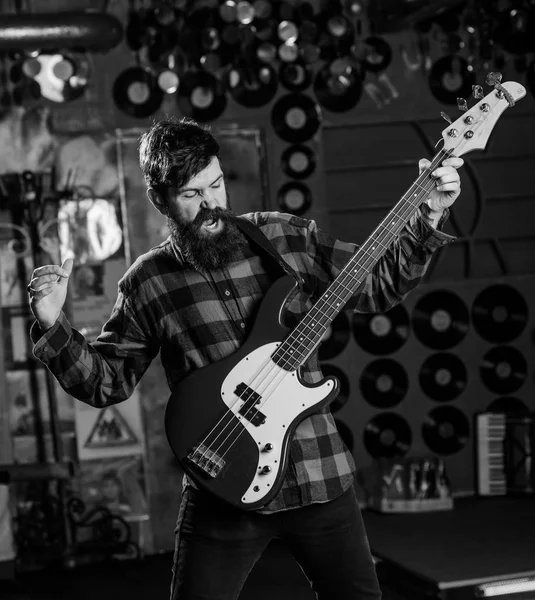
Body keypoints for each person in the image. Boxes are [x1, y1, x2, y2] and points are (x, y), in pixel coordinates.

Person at [27, 116, 463, 600]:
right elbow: (107, 382)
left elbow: (378, 286)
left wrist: (428, 219)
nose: (211, 203)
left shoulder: (283, 237)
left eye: (215, 184)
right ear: (160, 200)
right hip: (222, 482)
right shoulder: (147, 281)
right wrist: (53, 324)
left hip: (317, 475)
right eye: (191, 194)